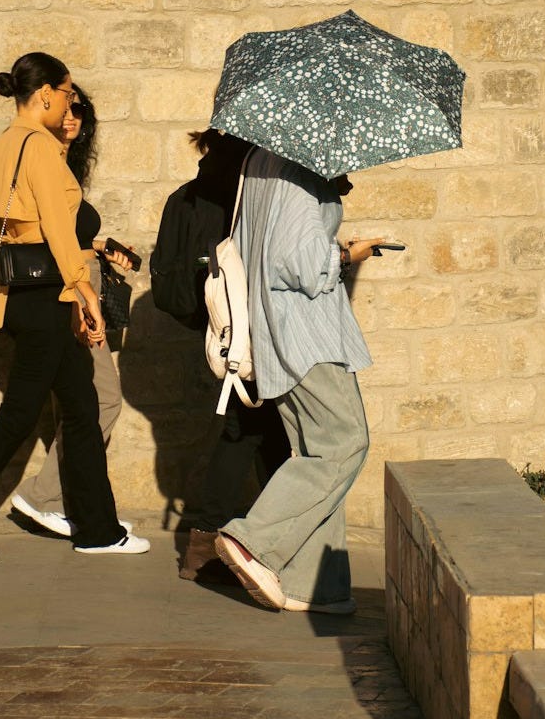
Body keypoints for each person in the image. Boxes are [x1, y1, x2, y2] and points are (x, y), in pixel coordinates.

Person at [0, 52, 150, 563]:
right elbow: (58, 229)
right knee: (18, 417)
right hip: (49, 300)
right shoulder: (40, 148)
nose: (69, 103)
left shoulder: (2, 147)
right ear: (45, 94)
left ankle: (98, 530)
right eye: (67, 94)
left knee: (83, 408)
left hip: (23, 299)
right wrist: (84, 292)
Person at [213, 147, 383, 613]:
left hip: (276, 330)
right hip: (306, 334)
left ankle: (315, 584)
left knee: (317, 452)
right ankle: (252, 541)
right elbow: (299, 262)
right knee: (345, 443)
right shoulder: (299, 171)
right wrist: (347, 254)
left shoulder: (260, 160)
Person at [149, 129, 289, 584]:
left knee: (264, 433)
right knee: (248, 430)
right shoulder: (247, 187)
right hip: (256, 327)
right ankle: (209, 541)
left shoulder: (192, 192)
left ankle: (265, 541)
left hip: (221, 328)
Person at [8, 84, 136, 539]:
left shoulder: (62, 165)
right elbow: (40, 233)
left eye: (80, 108)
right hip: (71, 290)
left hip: (80, 280)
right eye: (67, 105)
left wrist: (99, 247)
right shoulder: (40, 159)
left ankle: (78, 508)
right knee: (103, 399)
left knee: (81, 403)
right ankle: (43, 497)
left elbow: (63, 231)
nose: (72, 115)